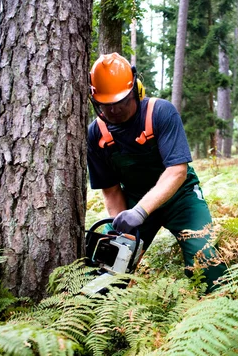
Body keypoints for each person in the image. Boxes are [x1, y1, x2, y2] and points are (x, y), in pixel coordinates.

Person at [86, 52, 226, 292]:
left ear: (134, 91)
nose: (115, 111)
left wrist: (140, 212)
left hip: (181, 198)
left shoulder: (160, 113)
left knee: (205, 257)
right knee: (107, 265)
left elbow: (177, 171)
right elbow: (110, 190)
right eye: (107, 105)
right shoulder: (96, 134)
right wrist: (124, 230)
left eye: (120, 102)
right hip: (133, 202)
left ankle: (221, 305)